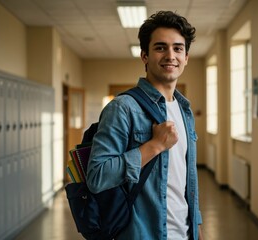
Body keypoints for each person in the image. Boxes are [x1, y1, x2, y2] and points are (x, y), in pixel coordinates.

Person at [86, 10, 203, 240]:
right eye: (160, 47)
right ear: (144, 56)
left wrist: (197, 225)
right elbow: (97, 176)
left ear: (186, 57)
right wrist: (154, 146)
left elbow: (188, 179)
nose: (170, 55)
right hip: (143, 233)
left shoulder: (184, 111)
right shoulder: (123, 108)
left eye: (178, 48)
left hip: (184, 233)